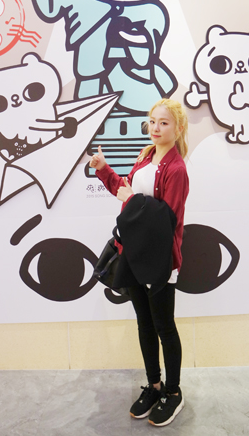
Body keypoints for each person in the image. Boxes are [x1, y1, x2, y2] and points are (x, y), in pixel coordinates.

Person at [90, 98, 189, 427]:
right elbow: (125, 191)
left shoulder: (177, 169)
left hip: (160, 260)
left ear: (178, 128)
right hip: (133, 254)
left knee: (164, 326)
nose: (156, 128)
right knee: (144, 324)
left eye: (164, 123)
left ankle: (173, 392)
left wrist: (131, 199)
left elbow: (166, 220)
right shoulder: (146, 155)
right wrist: (104, 170)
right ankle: (154, 385)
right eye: (153, 121)